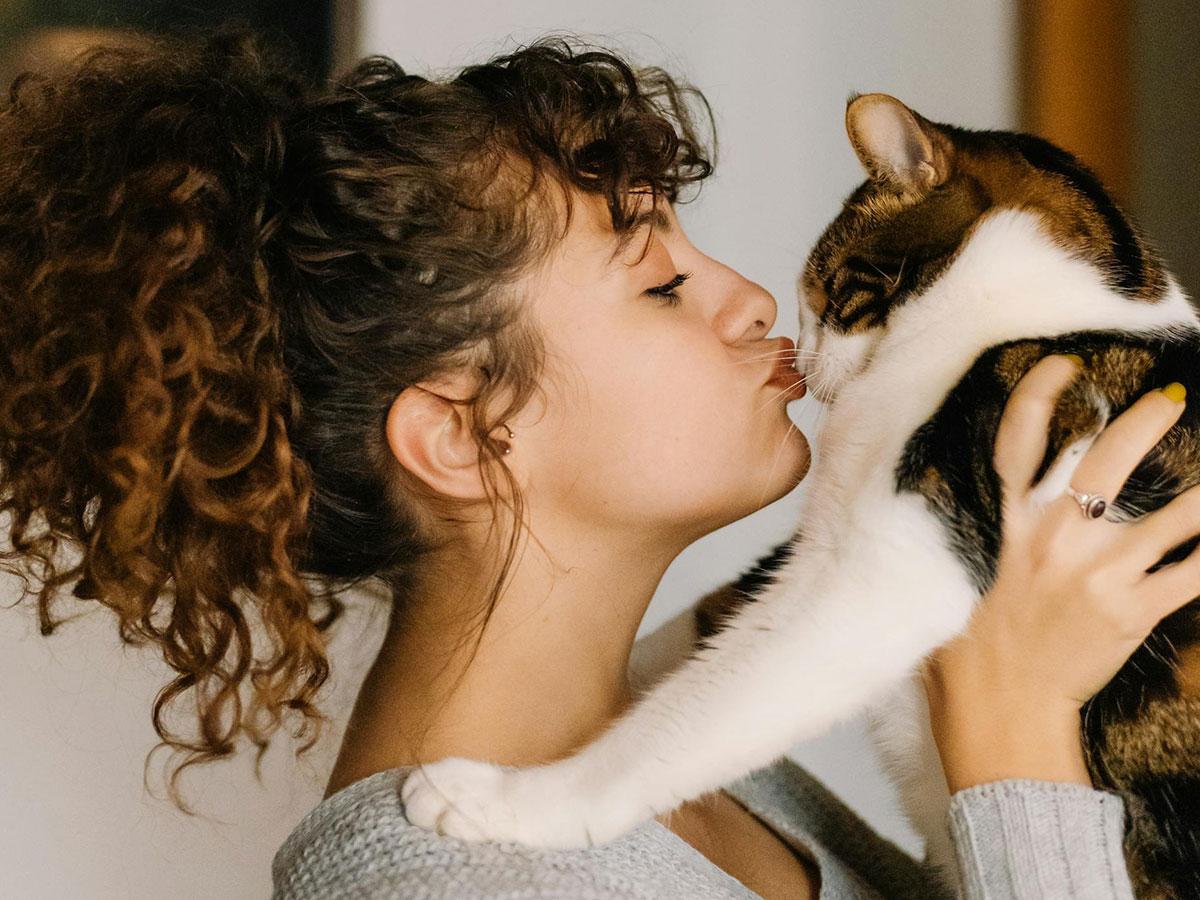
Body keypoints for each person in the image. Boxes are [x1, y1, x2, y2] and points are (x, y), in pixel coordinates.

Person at [3, 26, 1197, 900]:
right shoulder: (451, 884)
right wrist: (1020, 741)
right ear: (463, 436)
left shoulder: (676, 758)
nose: (744, 299)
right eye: (662, 284)